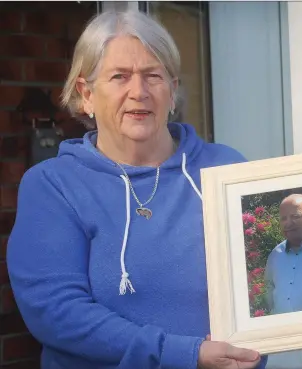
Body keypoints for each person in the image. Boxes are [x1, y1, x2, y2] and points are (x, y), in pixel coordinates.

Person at [6, 9, 265, 369]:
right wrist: (184, 355)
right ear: (86, 94)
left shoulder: (225, 168)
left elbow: (263, 281)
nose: (139, 91)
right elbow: (57, 314)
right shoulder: (53, 186)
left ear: (173, 91)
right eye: (119, 76)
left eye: (153, 75)